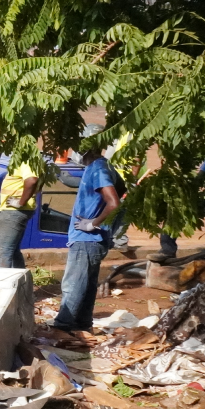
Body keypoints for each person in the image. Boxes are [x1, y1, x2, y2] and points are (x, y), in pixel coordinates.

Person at [53, 130, 120, 331]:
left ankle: (63, 327)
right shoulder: (102, 167)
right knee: (87, 285)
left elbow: (114, 202)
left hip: (87, 238)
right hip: (93, 240)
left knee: (73, 285)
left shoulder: (98, 169)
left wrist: (93, 223)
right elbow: (122, 189)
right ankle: (83, 325)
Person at [0, 159, 40, 268]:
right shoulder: (22, 161)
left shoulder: (26, 161)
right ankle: (22, 283)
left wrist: (20, 202)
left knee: (3, 251)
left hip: (13, 212)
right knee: (13, 251)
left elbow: (32, 180)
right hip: (14, 211)